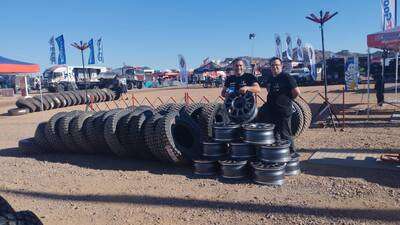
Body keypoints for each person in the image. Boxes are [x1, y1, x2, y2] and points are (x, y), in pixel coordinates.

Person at [257, 57, 301, 153]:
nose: (275, 67)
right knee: (275, 134)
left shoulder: (287, 77)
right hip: (272, 110)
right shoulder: (270, 78)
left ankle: (292, 154)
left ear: (281, 66)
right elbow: (269, 90)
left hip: (283, 110)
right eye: (272, 65)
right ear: (270, 67)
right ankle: (279, 154)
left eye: (277, 65)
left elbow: (297, 92)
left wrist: (287, 100)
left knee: (285, 134)